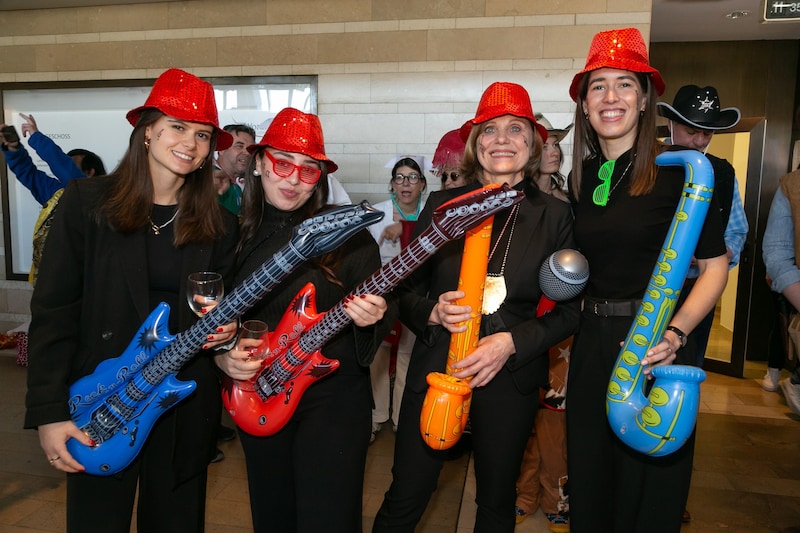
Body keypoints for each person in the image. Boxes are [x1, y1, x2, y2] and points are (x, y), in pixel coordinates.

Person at [24, 67, 240, 532]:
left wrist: (228, 333)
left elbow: (222, 315)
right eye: (178, 127)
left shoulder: (220, 225)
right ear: (147, 132)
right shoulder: (86, 204)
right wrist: (48, 413)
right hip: (100, 401)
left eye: (203, 135)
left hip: (181, 405)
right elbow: (53, 313)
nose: (191, 143)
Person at [373, 81, 580, 532]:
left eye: (515, 129)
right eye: (489, 130)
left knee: (495, 503)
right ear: (475, 144)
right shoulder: (442, 204)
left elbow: (569, 311)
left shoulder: (556, 216)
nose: (501, 139)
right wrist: (429, 311)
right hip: (435, 368)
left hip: (508, 375)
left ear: (533, 144)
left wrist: (511, 342)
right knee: (406, 494)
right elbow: (403, 289)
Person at [565, 28, 728, 533]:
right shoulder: (582, 176)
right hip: (592, 344)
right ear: (585, 104)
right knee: (591, 483)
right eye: (598, 86)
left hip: (658, 346)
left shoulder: (686, 174)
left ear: (644, 100)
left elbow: (715, 267)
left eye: (624, 85)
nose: (610, 97)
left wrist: (676, 333)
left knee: (648, 492)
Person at [214, 107, 393, 532]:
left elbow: (387, 308)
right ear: (258, 163)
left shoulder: (349, 234)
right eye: (282, 163)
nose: (293, 179)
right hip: (261, 391)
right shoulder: (231, 235)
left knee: (329, 517)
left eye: (309, 170)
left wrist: (374, 317)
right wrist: (224, 355)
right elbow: (213, 319)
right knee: (272, 512)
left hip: (335, 396)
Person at [658, 84, 749, 369]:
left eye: (706, 133)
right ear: (672, 125)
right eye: (691, 131)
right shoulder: (651, 166)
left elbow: (736, 231)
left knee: (688, 366)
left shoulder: (721, 172)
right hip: (650, 290)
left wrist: (715, 256)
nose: (699, 140)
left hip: (698, 289)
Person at [513, 114, 572, 531]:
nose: (552, 149)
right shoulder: (516, 198)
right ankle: (523, 491)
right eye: (544, 142)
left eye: (555, 143)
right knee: (523, 415)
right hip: (520, 318)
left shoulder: (574, 198)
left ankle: (554, 494)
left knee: (554, 413)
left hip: (561, 324)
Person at [367, 156, 426, 442]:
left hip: (415, 294)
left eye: (413, 177)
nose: (406, 183)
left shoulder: (429, 214)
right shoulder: (377, 214)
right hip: (381, 296)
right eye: (400, 178)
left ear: (422, 185)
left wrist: (406, 229)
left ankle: (402, 417)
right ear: (391, 184)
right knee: (377, 356)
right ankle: (377, 414)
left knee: (407, 356)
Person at [762, 164, 800, 415]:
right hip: (791, 288)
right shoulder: (792, 185)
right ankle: (779, 373)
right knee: (779, 326)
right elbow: (776, 253)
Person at [214, 123, 256, 215]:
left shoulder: (249, 183)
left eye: (250, 149)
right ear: (222, 149)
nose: (247, 153)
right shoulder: (206, 177)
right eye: (239, 146)